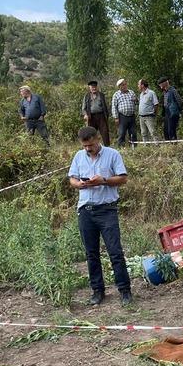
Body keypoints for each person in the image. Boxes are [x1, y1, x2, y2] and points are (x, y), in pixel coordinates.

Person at [68, 127, 133, 306]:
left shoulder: (113, 154)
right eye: (85, 146)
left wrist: (103, 180)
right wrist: (79, 184)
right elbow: (71, 179)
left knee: (115, 252)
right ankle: (97, 291)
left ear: (98, 139)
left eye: (91, 145)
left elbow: (123, 178)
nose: (88, 148)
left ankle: (125, 290)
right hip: (85, 211)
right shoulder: (78, 156)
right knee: (91, 254)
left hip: (107, 210)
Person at [82, 80, 111, 146]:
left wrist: (107, 115)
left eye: (95, 87)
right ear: (89, 88)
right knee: (91, 133)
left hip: (101, 116)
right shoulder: (87, 96)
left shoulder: (101, 95)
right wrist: (85, 114)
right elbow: (83, 108)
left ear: (97, 87)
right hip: (91, 117)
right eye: (92, 87)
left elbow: (106, 106)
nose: (94, 88)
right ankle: (92, 146)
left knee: (105, 132)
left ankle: (107, 147)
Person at [111, 79, 138, 147]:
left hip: (132, 116)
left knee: (133, 132)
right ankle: (121, 147)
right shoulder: (116, 94)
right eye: (123, 85)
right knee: (122, 133)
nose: (125, 86)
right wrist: (116, 117)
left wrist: (136, 100)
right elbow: (114, 106)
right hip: (122, 116)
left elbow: (137, 103)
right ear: (120, 87)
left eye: (125, 84)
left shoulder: (131, 92)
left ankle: (134, 147)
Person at [158, 77, 183, 141]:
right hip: (167, 113)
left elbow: (179, 101)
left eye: (160, 84)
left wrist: (180, 111)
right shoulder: (165, 92)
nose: (159, 86)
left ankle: (174, 145)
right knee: (166, 130)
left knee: (171, 130)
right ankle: (169, 145)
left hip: (173, 112)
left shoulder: (173, 90)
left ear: (165, 83)